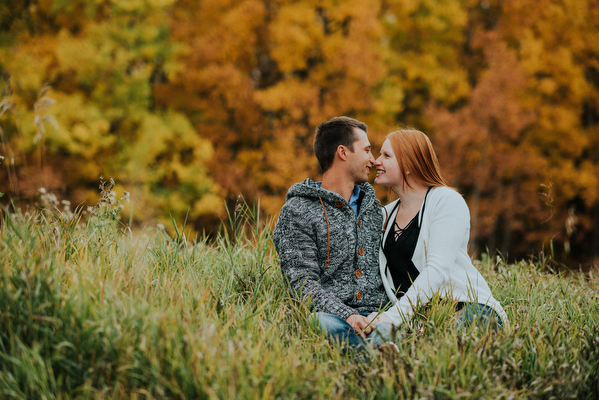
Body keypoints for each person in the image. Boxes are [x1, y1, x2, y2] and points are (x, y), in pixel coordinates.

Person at [367, 129, 508, 330]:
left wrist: (393, 316)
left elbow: (437, 269)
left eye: (386, 155)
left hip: (468, 308)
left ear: (409, 164)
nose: (376, 161)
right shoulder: (384, 216)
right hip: (419, 321)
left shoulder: (446, 201)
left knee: (450, 339)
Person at [273, 116, 392, 349]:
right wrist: (348, 315)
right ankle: (377, 361)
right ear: (343, 152)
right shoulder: (298, 211)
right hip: (331, 315)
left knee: (389, 329)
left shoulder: (375, 210)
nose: (373, 159)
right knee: (319, 323)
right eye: (367, 150)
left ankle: (378, 359)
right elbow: (302, 283)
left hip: (380, 315)